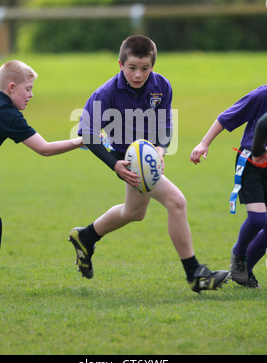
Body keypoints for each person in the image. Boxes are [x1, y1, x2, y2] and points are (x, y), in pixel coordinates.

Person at [69, 35, 229, 293]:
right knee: (176, 201)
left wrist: (160, 149)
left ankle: (85, 237)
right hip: (128, 161)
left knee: (134, 212)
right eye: (132, 68)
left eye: (145, 68)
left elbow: (165, 124)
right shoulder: (105, 94)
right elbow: (86, 134)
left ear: (153, 65)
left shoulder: (161, 86)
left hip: (144, 158)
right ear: (120, 64)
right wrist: (114, 164)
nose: (138, 75)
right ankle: (195, 274)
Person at [0, 60, 83, 299]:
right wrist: (82, 141)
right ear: (11, 87)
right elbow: (44, 148)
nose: (31, 95)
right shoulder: (8, 115)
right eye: (28, 89)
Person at [190, 83, 267, 288]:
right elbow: (226, 117)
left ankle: (243, 270)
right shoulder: (262, 95)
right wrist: (204, 143)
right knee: (257, 219)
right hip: (252, 162)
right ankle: (238, 254)